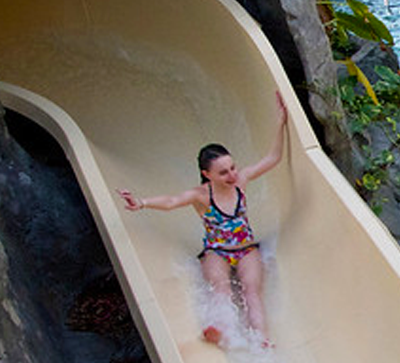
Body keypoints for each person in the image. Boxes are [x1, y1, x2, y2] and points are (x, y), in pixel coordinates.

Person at [119, 93, 290, 347]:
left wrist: (280, 123)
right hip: (216, 252)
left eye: (232, 167)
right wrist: (141, 203)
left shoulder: (241, 181)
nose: (232, 175)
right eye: (223, 172)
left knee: (251, 290)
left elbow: (272, 159)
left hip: (245, 250)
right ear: (207, 174)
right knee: (221, 288)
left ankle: (262, 338)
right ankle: (220, 330)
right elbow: (171, 201)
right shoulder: (201, 196)